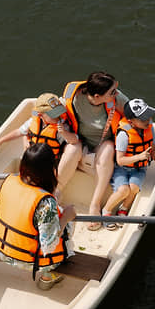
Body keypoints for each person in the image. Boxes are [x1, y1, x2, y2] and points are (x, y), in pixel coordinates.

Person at [0, 143, 77, 291]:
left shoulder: (8, 180)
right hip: (31, 261)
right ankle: (48, 275)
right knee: (67, 220)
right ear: (50, 169)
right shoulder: (46, 203)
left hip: (2, 249)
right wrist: (66, 217)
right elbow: (48, 247)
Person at [57, 71, 129, 231]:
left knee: (109, 148)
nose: (116, 93)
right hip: (80, 142)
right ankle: (55, 194)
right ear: (97, 96)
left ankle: (95, 205)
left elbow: (138, 118)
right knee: (72, 148)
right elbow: (49, 110)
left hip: (103, 146)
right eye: (112, 92)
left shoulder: (116, 99)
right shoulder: (73, 96)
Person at [101, 98, 155, 229]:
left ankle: (123, 209)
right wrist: (139, 156)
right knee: (123, 190)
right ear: (131, 121)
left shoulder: (149, 128)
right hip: (122, 169)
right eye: (143, 119)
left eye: (148, 116)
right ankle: (106, 211)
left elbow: (154, 149)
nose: (148, 120)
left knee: (134, 188)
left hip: (139, 169)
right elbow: (120, 160)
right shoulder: (124, 134)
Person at [0, 93, 80, 163]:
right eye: (54, 115)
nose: (58, 117)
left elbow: (74, 140)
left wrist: (64, 133)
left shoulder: (62, 127)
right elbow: (19, 132)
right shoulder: (33, 121)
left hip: (50, 161)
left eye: (59, 113)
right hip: (33, 155)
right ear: (40, 115)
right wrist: (0, 140)